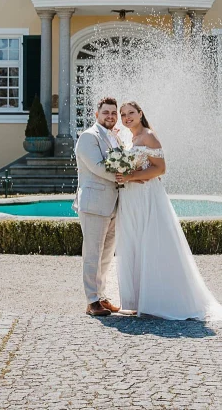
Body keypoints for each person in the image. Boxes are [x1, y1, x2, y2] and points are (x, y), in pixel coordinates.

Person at [114, 100, 222, 321]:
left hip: (147, 197)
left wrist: (130, 176)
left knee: (152, 243)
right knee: (135, 243)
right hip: (132, 198)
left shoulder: (149, 136)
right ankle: (139, 300)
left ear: (140, 113)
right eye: (123, 114)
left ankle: (160, 300)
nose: (127, 117)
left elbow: (161, 168)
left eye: (131, 113)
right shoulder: (131, 138)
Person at [73, 96, 134, 317]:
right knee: (92, 254)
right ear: (96, 115)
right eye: (106, 112)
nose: (110, 116)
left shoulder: (115, 138)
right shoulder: (89, 137)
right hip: (94, 204)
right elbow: (98, 167)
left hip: (112, 204)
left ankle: (101, 295)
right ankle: (91, 301)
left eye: (113, 113)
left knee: (106, 255)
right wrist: (125, 176)